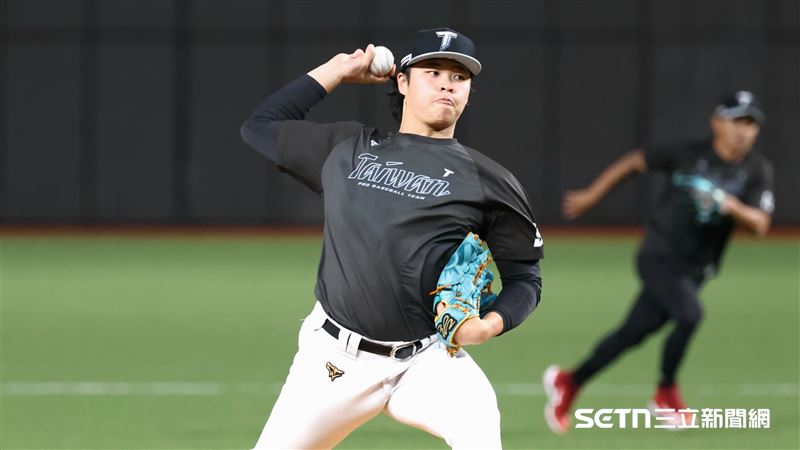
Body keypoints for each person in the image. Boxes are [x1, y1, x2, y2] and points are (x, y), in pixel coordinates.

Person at [241, 27, 544, 449]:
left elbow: (524, 277)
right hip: (334, 360)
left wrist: (488, 326)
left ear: (468, 93)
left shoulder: (489, 180)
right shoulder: (346, 149)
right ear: (402, 81)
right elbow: (260, 127)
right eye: (432, 72)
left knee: (479, 425)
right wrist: (338, 69)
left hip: (427, 358)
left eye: (459, 77)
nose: (446, 84)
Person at [543, 91, 775, 434]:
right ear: (717, 122)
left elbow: (760, 225)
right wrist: (592, 195)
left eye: (751, 124)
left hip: (696, 270)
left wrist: (732, 206)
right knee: (690, 315)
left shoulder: (756, 170)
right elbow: (634, 162)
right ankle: (666, 392)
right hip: (659, 255)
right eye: (738, 121)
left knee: (632, 333)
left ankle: (569, 381)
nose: (745, 131)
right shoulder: (687, 153)